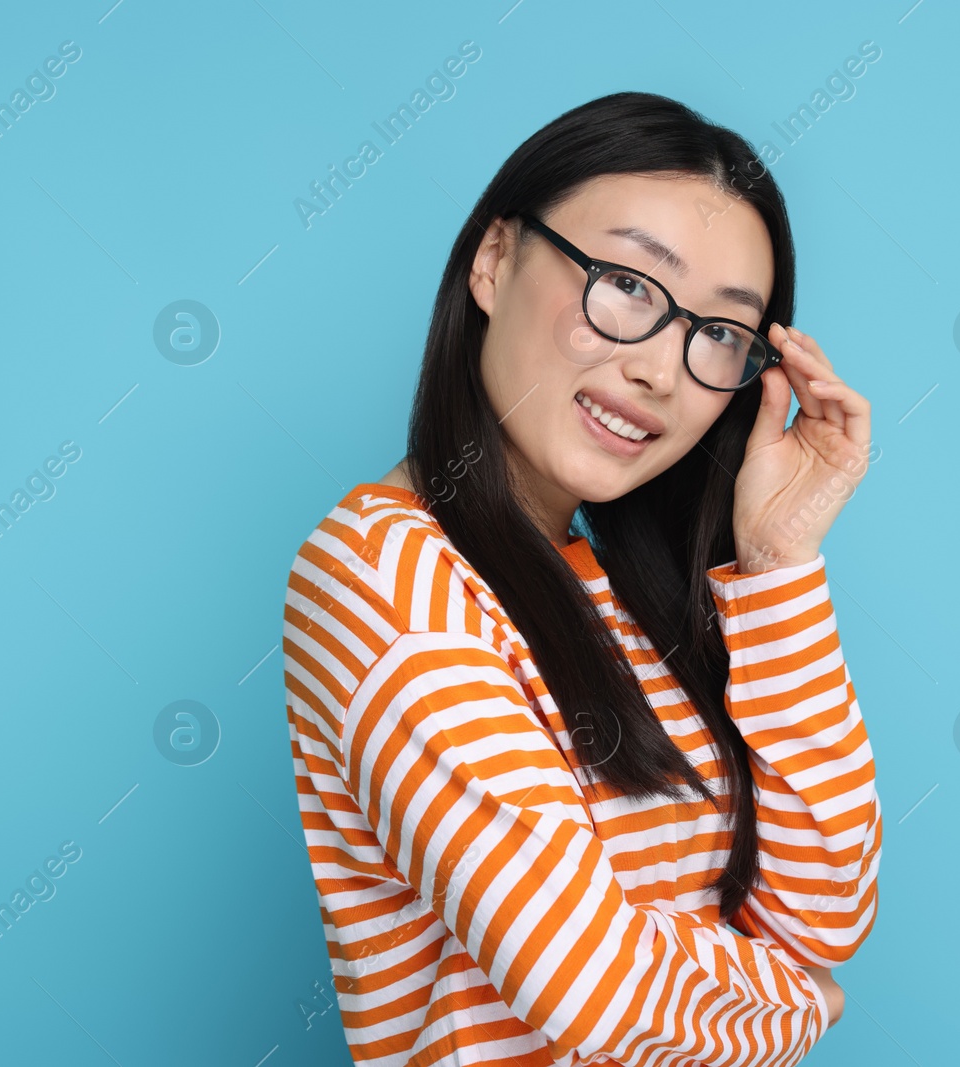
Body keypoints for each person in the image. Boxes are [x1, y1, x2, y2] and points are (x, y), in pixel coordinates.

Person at [282, 91, 880, 1067]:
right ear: (493, 260)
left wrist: (778, 568)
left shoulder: (626, 590)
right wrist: (799, 1011)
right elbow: (587, 983)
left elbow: (823, 910)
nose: (659, 369)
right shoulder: (382, 577)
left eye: (720, 333)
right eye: (628, 284)